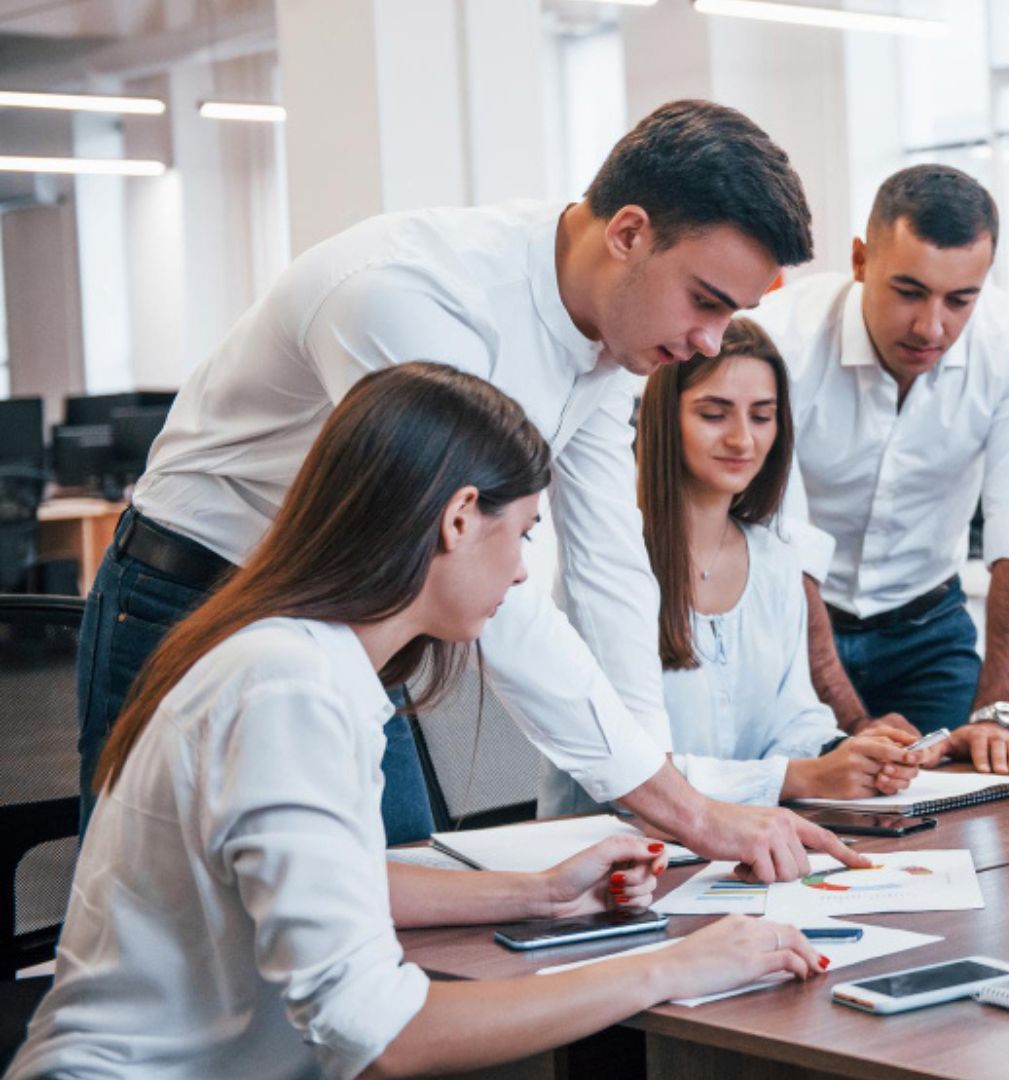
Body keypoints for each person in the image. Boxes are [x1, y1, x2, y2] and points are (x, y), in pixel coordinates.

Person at [75, 98, 859, 879]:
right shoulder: (409, 298)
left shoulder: (613, 340)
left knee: (399, 886)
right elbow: (486, 579)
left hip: (349, 619)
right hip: (194, 595)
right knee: (167, 903)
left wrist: (656, 792)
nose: (709, 343)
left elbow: (610, 562)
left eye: (735, 317)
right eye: (706, 302)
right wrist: (681, 807)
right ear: (628, 234)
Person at [7, 364, 824, 1080]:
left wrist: (538, 895)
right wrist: (674, 968)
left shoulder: (311, 662)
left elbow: (328, 876)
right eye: (525, 533)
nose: (520, 569)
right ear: (459, 517)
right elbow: (380, 1035)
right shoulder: (287, 690)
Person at [540, 319, 927, 815]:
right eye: (714, 414)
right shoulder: (611, 562)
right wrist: (801, 776)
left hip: (740, 845)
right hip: (614, 854)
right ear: (666, 418)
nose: (743, 440)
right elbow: (633, 776)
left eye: (762, 416)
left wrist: (854, 755)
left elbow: (794, 721)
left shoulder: (775, 559)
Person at [754, 165, 1009, 779]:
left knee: (967, 801)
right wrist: (853, 721)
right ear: (861, 260)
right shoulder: (776, 340)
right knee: (815, 810)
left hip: (927, 626)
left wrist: (997, 716)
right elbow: (781, 547)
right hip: (794, 623)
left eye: (960, 299)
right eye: (909, 292)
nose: (931, 327)